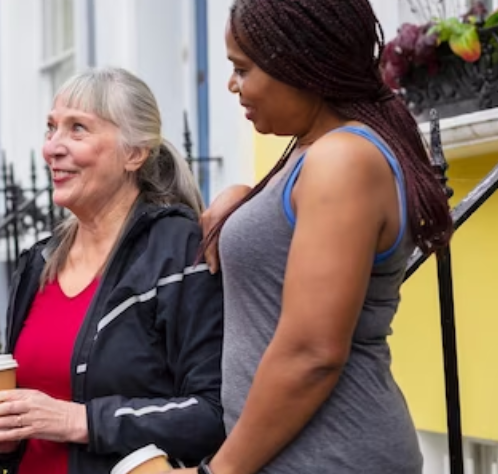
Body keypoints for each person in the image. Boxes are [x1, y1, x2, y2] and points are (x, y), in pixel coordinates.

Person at [170, 1, 454, 473]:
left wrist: (217, 471)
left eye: (242, 68)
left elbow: (312, 354)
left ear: (298, 62)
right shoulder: (317, 151)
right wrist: (241, 201)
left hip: (334, 456)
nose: (231, 85)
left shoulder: (343, 159)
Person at [0, 67, 226, 473]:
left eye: (77, 129)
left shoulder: (180, 251)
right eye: (51, 128)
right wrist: (6, 437)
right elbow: (36, 430)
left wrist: (77, 420)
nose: (52, 148)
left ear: (134, 153)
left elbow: (212, 413)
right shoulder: (38, 263)